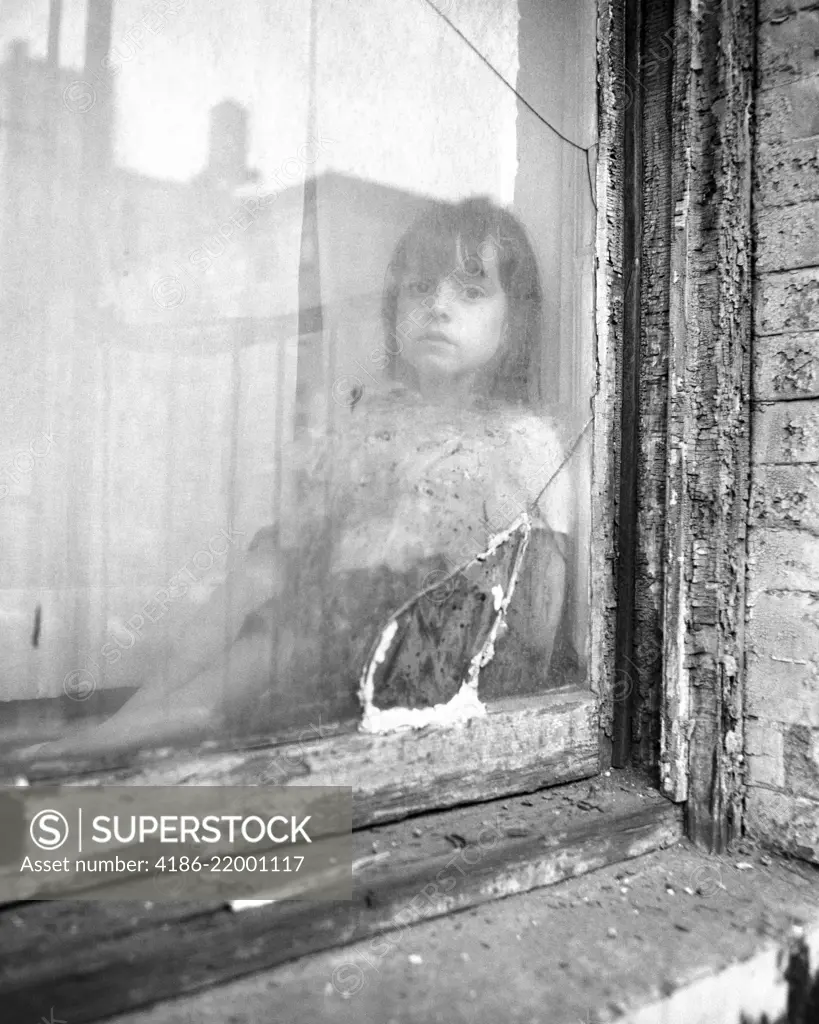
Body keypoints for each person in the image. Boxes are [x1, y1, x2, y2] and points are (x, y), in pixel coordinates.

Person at [19, 196, 578, 761]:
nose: (438, 307)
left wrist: (517, 708)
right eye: (419, 288)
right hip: (329, 632)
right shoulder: (373, 422)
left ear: (511, 328)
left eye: (471, 292)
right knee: (271, 561)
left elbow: (538, 607)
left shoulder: (519, 440)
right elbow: (309, 537)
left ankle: (185, 711)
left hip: (426, 665)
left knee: (308, 605)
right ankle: (144, 709)